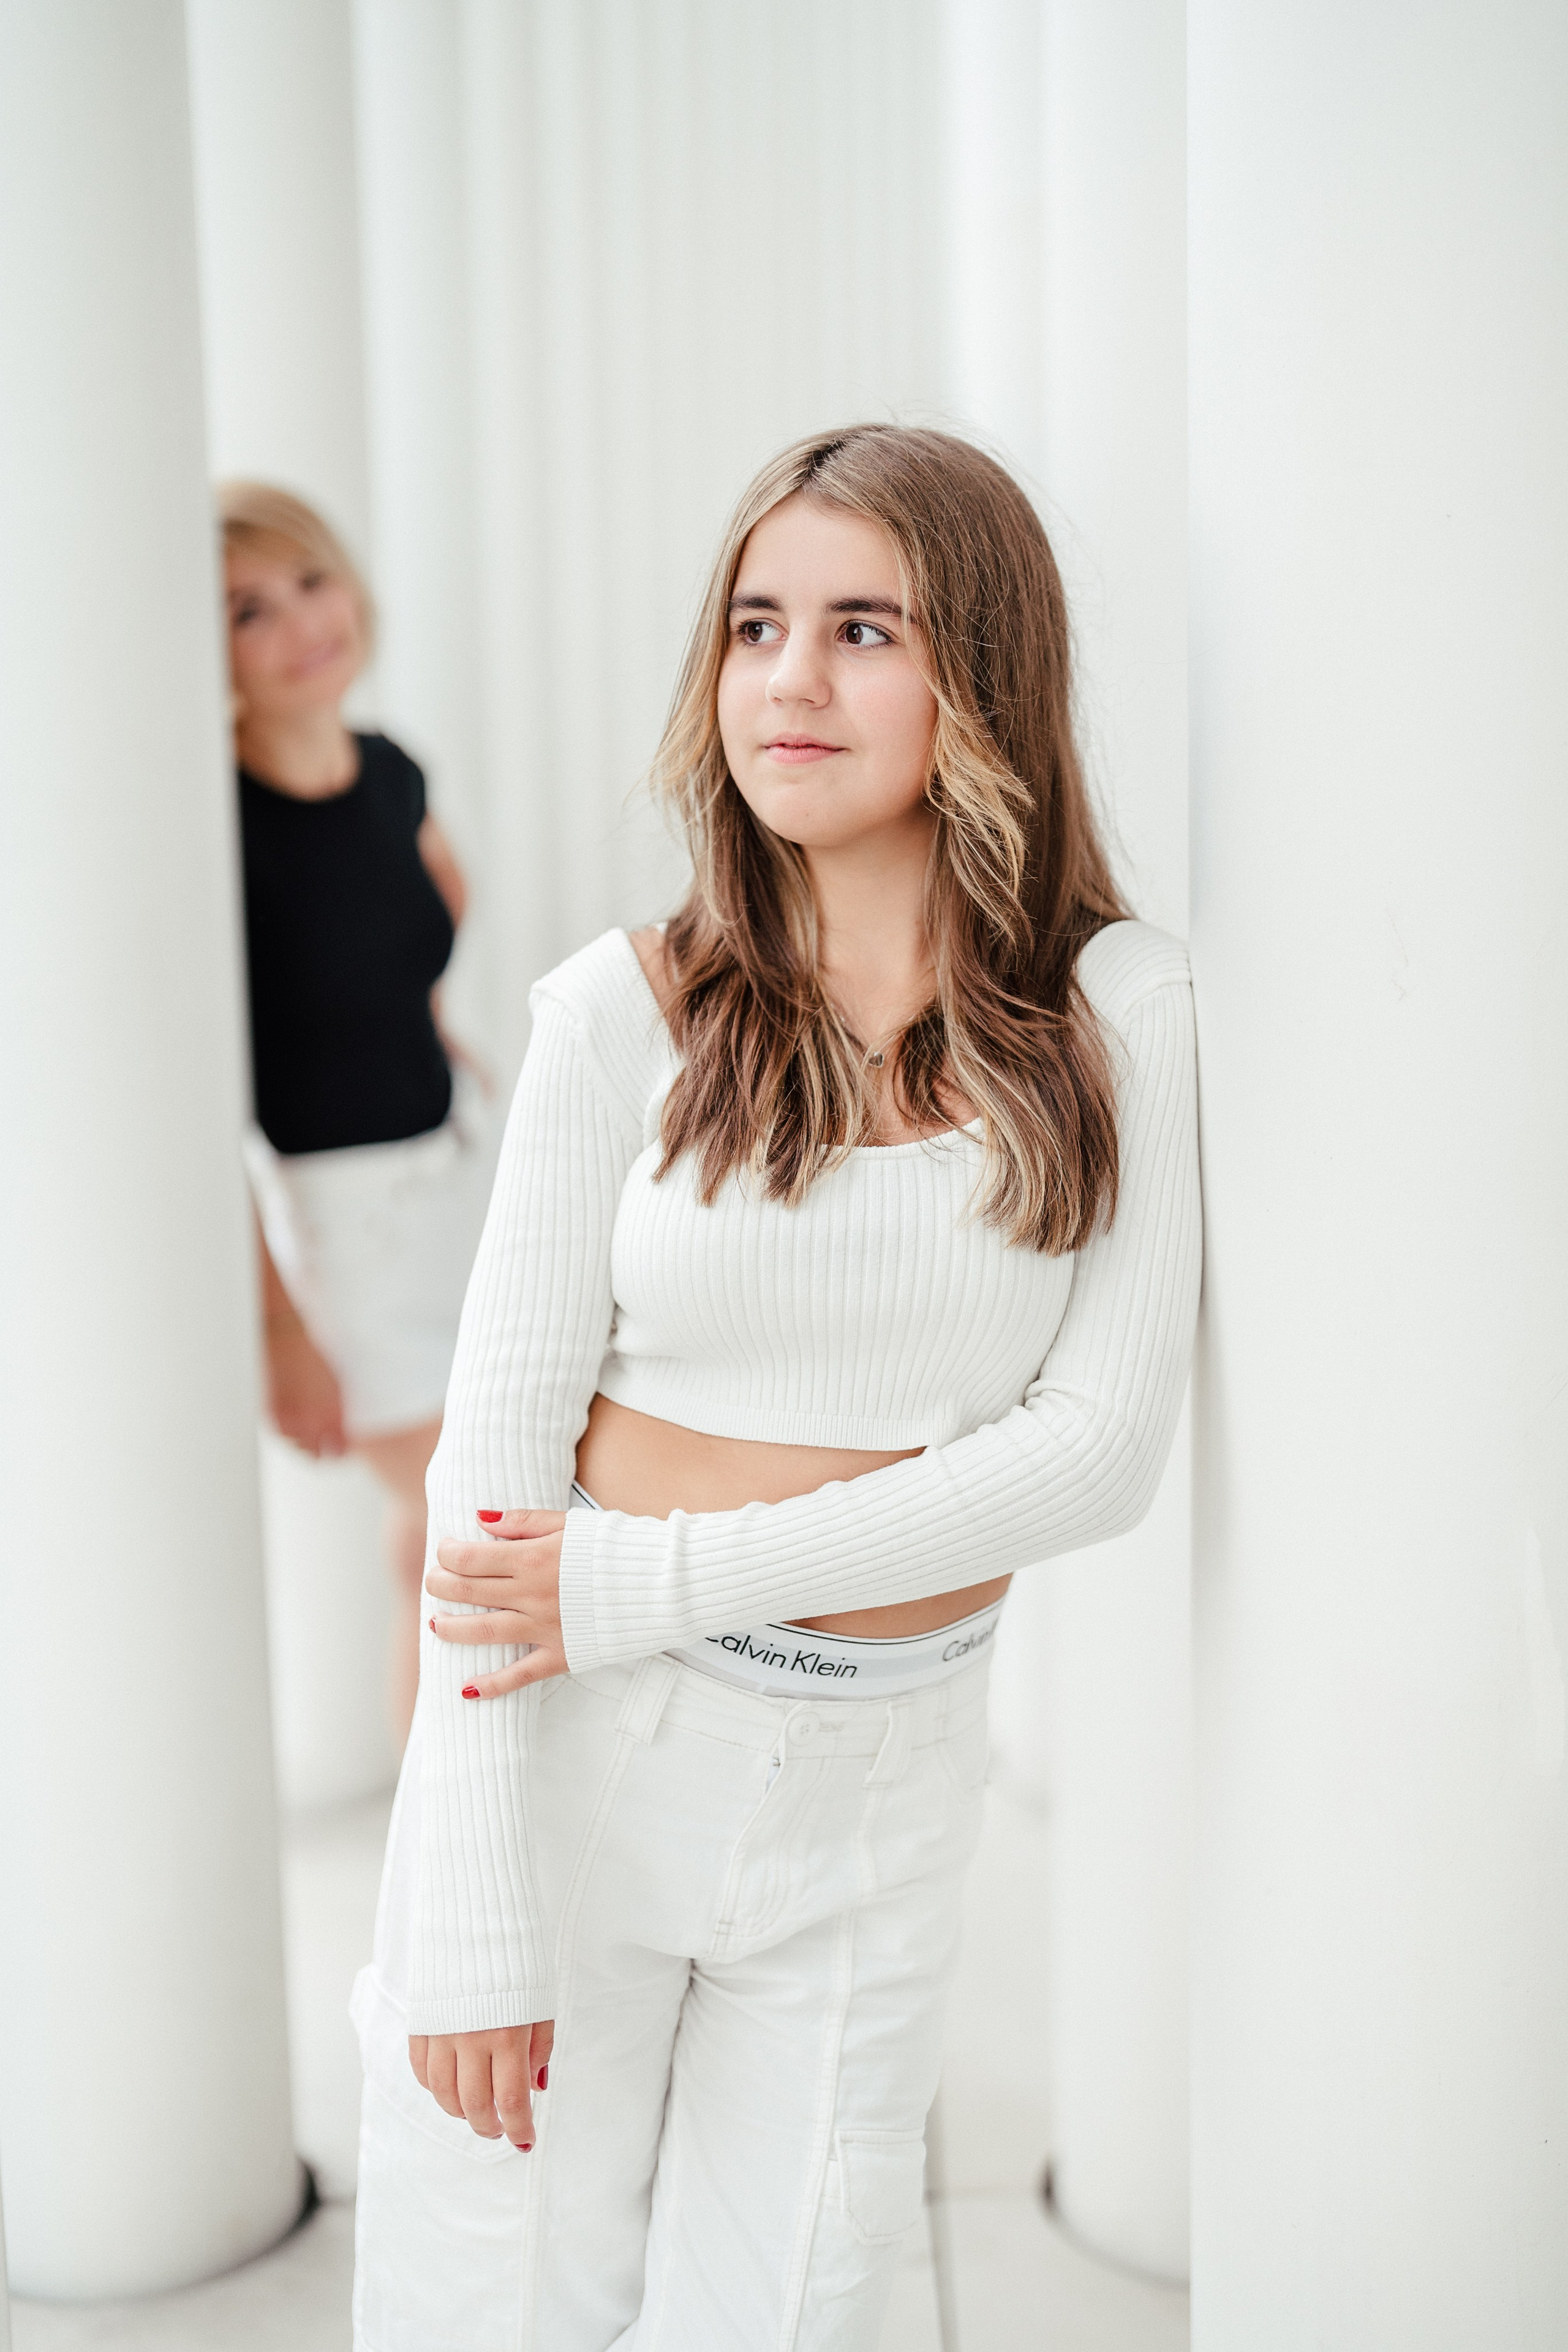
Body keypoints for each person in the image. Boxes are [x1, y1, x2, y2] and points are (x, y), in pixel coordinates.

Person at [350, 425, 1201, 2349]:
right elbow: (493, 1499)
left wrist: (642, 1577)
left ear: (981, 673)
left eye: (861, 628)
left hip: (885, 1782)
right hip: (578, 1762)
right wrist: (472, 1914)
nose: (787, 682)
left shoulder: (1120, 1017)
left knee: (795, 2310)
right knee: (490, 2306)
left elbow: (1093, 1459)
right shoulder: (619, 1012)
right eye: (753, 625)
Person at [222, 483, 494, 1743]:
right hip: (344, 1229)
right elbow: (211, 1114)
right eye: (245, 611)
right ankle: (458, 1867)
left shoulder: (390, 771)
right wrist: (278, 1328)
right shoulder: (219, 831)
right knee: (472, 1530)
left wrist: (424, 1029)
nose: (299, 626)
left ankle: (437, 1860)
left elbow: (410, 933)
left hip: (459, 1168)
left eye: (310, 581)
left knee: (431, 1548)